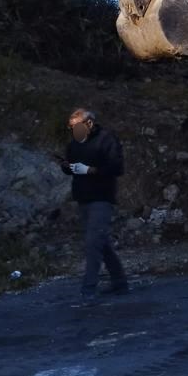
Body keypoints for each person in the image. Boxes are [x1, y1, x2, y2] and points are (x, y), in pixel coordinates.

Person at [61, 108, 129, 300]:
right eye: (71, 127)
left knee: (93, 243)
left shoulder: (107, 140)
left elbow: (116, 167)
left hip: (102, 197)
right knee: (102, 243)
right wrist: (67, 167)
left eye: (76, 126)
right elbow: (71, 165)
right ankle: (120, 283)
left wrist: (90, 170)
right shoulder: (75, 144)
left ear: (89, 123)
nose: (74, 130)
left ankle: (88, 289)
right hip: (83, 198)